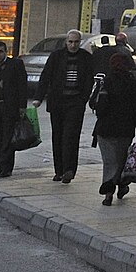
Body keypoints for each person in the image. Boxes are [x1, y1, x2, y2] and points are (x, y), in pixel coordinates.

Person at [34, 27, 95, 183]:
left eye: (76, 42)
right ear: (66, 42)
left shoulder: (86, 57)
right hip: (58, 102)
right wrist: (39, 98)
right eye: (70, 42)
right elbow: (45, 76)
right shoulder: (57, 56)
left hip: (75, 102)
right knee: (58, 136)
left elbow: (89, 80)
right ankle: (58, 170)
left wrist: (83, 98)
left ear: (79, 43)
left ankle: (69, 170)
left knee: (71, 136)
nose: (73, 45)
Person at [92, 50, 136, 205]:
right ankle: (121, 184)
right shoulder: (133, 85)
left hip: (105, 129)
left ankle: (108, 194)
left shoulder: (105, 82)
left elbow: (96, 105)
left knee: (109, 162)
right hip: (125, 130)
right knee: (121, 161)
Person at [0, 44, 29, 178]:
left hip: (9, 107)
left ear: (6, 52)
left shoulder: (15, 64)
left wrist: (22, 106)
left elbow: (22, 86)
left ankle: (6, 167)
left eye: (0, 51)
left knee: (8, 137)